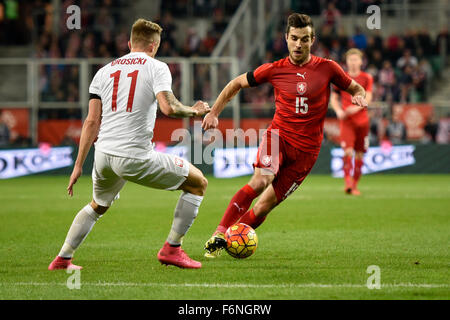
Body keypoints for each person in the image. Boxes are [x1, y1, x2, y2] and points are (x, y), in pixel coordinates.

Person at [48, 19, 210, 270]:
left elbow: (91, 121)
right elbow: (169, 107)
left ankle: (63, 258)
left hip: (103, 155)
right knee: (198, 183)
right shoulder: (157, 67)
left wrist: (78, 165)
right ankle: (172, 249)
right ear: (154, 46)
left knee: (98, 205)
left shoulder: (104, 71)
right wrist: (195, 111)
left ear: (129, 43)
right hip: (133, 156)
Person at [202, 13, 368, 257]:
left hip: (306, 153)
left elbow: (355, 86)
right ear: (286, 39)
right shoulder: (274, 69)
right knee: (261, 180)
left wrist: (358, 95)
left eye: (304, 39)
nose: (298, 44)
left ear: (313, 39)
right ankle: (220, 232)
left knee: (264, 205)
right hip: (278, 137)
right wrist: (214, 112)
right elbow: (235, 83)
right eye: (294, 38)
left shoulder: (328, 68)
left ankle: (230, 240)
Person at [330, 48, 373, 195]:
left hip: (362, 121)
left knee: (360, 154)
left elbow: (368, 97)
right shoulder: (341, 78)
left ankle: (354, 185)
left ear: (361, 61)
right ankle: (348, 182)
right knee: (348, 151)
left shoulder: (367, 78)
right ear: (346, 62)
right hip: (347, 121)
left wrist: (355, 108)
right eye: (350, 60)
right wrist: (338, 111)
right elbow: (334, 98)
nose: (353, 62)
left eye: (356, 59)